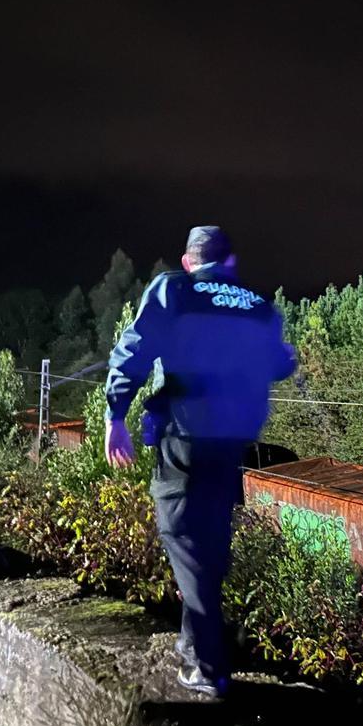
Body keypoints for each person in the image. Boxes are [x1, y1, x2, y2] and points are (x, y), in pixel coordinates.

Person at [104, 225, 296, 697]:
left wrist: (115, 414)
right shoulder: (257, 305)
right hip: (233, 445)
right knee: (207, 540)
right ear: (229, 262)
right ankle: (194, 649)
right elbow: (279, 365)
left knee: (182, 535)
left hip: (186, 438)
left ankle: (209, 666)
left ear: (190, 261)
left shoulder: (174, 288)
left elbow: (134, 350)